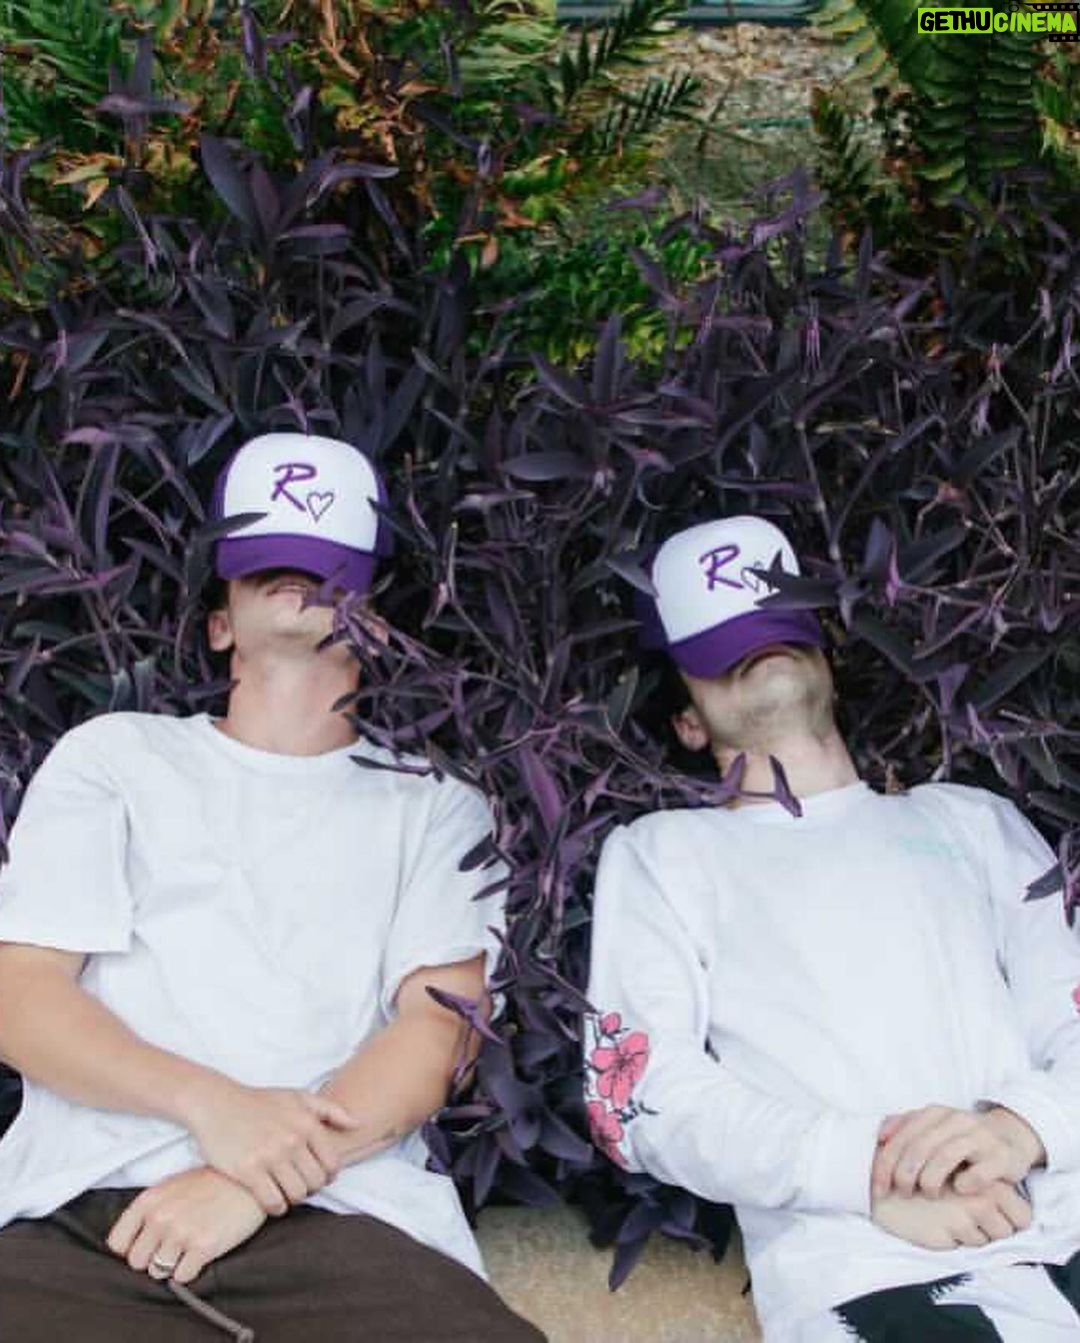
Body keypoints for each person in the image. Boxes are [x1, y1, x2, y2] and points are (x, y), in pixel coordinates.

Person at [0, 432, 543, 1342]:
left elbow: (438, 1029)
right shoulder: (114, 757)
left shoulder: (437, 805)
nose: (299, 583)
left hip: (346, 1219)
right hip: (88, 1211)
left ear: (375, 624)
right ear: (219, 623)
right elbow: (20, 994)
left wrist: (252, 1180)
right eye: (268, 566)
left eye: (329, 569)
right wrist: (213, 1106)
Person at [584, 514, 1080, 1343]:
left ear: (829, 665)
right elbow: (635, 1095)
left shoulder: (969, 819)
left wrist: (1018, 1128)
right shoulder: (666, 852)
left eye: (779, 630)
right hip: (870, 1270)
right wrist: (865, 1169)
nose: (761, 651)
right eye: (725, 650)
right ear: (687, 721)